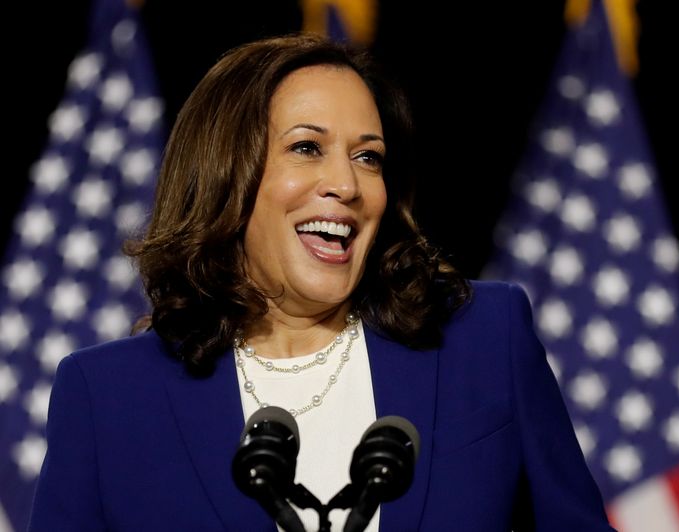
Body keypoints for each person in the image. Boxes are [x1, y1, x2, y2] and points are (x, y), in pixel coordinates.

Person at [28, 33, 615, 532]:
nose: (347, 184)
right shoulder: (107, 397)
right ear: (226, 175)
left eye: (368, 157)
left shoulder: (484, 340)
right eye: (306, 148)